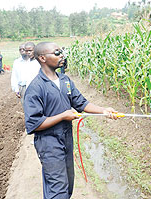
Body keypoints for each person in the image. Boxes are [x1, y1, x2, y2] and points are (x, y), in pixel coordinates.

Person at [24, 42, 118, 199]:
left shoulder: (65, 80)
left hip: (66, 139)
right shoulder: (36, 87)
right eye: (56, 52)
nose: (61, 55)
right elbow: (34, 123)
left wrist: (104, 110)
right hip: (49, 143)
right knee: (58, 189)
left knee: (67, 185)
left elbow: (81, 103)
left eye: (61, 51)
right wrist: (63, 116)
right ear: (42, 58)